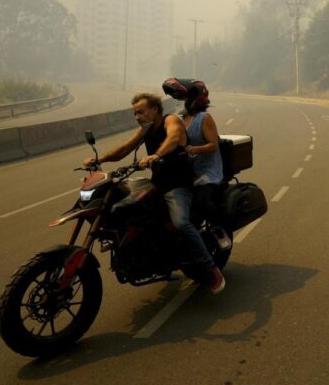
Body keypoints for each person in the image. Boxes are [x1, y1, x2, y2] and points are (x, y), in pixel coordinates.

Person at [82, 92, 225, 294]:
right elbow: (124, 148)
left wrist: (156, 154)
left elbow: (174, 138)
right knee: (127, 210)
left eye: (141, 112)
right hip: (157, 184)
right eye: (134, 114)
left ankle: (210, 268)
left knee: (181, 223)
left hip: (178, 185)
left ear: (155, 109)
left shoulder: (171, 120)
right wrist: (100, 161)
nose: (137, 117)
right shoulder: (146, 129)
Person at [163, 78, 231, 250]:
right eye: (180, 98)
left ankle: (218, 229)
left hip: (208, 172)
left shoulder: (204, 118)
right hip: (188, 172)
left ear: (195, 98)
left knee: (201, 200)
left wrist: (194, 149)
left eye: (185, 98)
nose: (182, 102)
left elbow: (213, 145)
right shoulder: (180, 119)